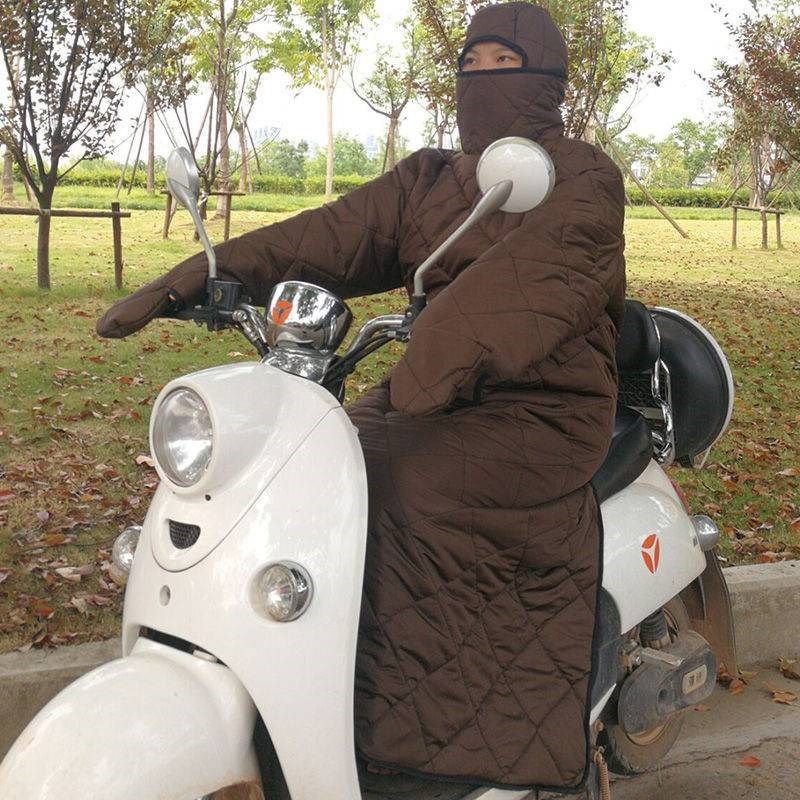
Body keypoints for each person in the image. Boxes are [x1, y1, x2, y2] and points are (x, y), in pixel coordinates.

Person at [98, 1, 625, 791]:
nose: (481, 79)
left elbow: (542, 271)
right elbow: (332, 234)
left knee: (402, 486)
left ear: (545, 75)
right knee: (309, 470)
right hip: (432, 390)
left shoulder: (579, 173)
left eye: (503, 64)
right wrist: (202, 275)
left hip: (539, 403)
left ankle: (437, 746)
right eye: (470, 63)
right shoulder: (430, 178)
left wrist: (442, 351)